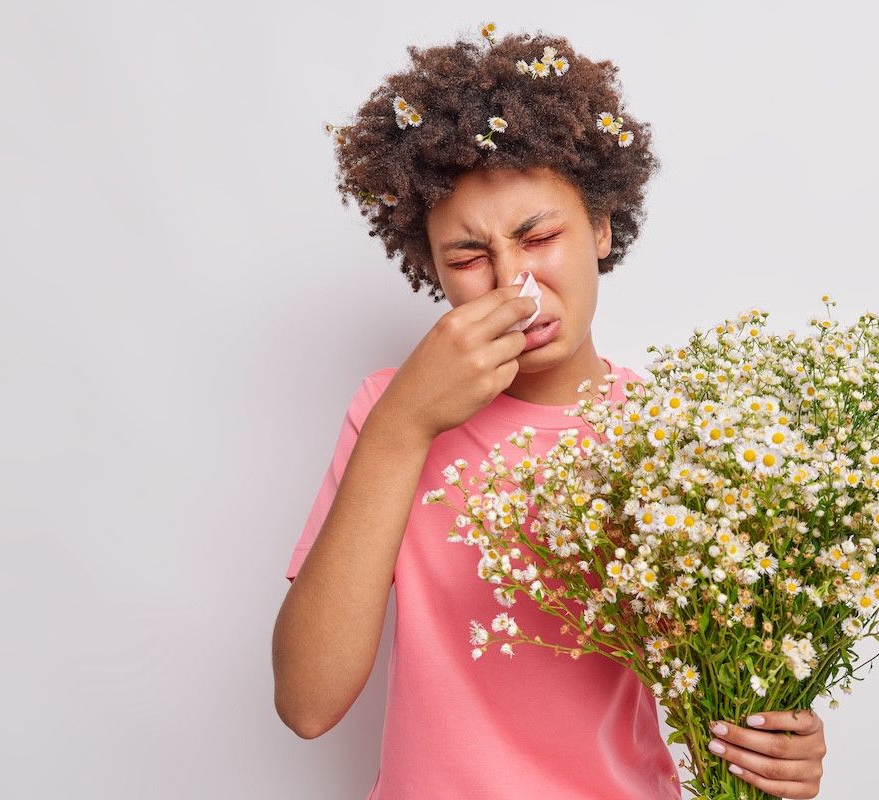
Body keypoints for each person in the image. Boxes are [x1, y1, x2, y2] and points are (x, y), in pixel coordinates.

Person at [271, 23, 827, 800]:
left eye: (539, 237)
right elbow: (307, 703)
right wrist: (404, 426)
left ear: (601, 227)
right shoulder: (390, 415)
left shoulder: (681, 437)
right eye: (468, 258)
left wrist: (783, 752)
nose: (514, 285)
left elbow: (729, 686)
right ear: (430, 271)